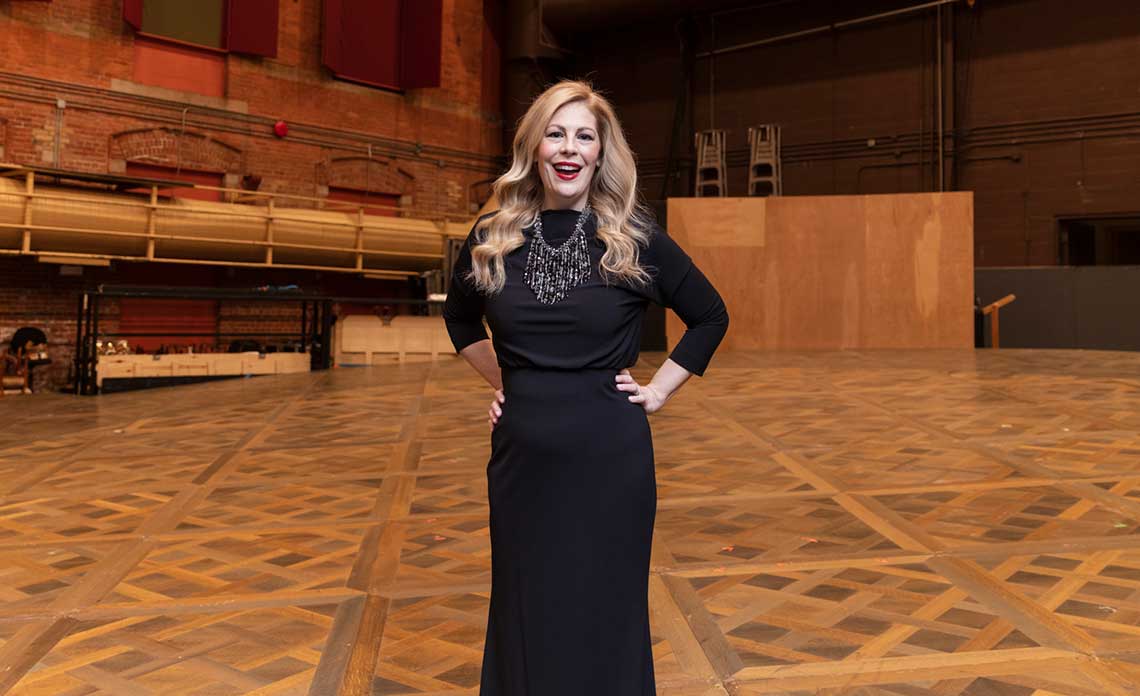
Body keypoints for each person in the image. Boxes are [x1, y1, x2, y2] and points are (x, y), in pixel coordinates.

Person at [442, 80, 729, 695]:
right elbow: (459, 319)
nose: (569, 148)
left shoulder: (633, 238)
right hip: (522, 462)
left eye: (584, 136)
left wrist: (659, 391)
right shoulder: (492, 237)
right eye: (556, 133)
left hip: (610, 461)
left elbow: (710, 315)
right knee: (525, 605)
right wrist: (506, 380)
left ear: (601, 153)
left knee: (604, 607)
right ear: (535, 147)